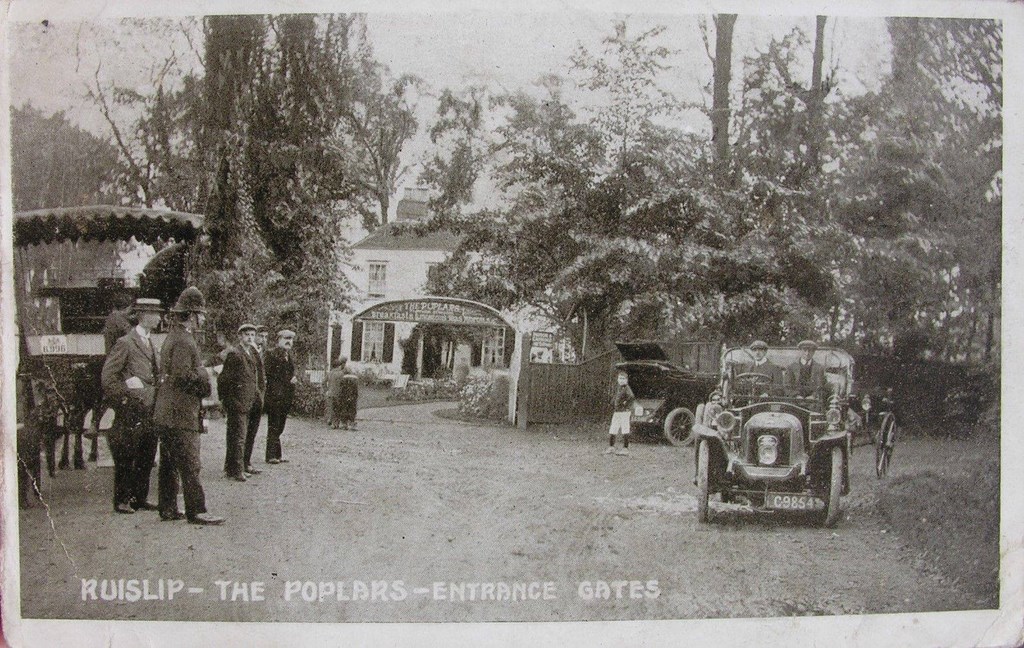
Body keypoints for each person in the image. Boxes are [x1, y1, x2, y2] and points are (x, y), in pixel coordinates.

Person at [152, 287, 224, 525]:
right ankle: (197, 510)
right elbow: (183, 376)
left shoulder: (174, 337)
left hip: (167, 412)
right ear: (191, 315)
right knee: (191, 462)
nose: (203, 318)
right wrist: (208, 371)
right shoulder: (184, 340)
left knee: (170, 462)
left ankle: (168, 508)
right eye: (200, 314)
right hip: (181, 413)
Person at [100, 297, 163, 514]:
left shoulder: (150, 342)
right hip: (131, 410)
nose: (159, 317)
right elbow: (108, 377)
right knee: (127, 455)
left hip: (149, 407)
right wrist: (125, 396)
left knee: (146, 454)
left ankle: (139, 498)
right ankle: (122, 500)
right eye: (155, 314)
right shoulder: (126, 342)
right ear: (144, 316)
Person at [218, 324, 261, 481]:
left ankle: (233, 468)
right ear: (240, 336)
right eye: (247, 334)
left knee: (239, 435)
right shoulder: (235, 354)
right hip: (237, 401)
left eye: (252, 334)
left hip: (248, 400)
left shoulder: (251, 352)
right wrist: (227, 400)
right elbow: (224, 379)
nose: (250, 337)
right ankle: (236, 470)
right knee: (238, 436)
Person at [264, 329, 297, 464]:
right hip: (275, 396)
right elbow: (270, 375)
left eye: (291, 339)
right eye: (286, 338)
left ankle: (277, 454)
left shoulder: (288, 355)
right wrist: (287, 381)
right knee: (274, 425)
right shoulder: (271, 354)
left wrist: (292, 379)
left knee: (280, 426)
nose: (289, 341)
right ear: (279, 340)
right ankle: (270, 455)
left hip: (285, 396)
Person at [243, 324, 268, 475]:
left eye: (265, 337)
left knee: (252, 432)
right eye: (260, 336)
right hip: (248, 396)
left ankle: (247, 461)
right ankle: (240, 464)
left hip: (258, 396)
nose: (262, 340)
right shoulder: (247, 351)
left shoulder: (263, 352)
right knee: (243, 432)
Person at [605, 370, 635, 457]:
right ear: (618, 379)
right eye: (620, 378)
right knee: (613, 428)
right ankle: (611, 447)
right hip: (617, 412)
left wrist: (625, 405)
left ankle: (625, 449)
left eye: (623, 378)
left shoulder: (627, 388)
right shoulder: (619, 388)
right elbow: (615, 398)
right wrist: (612, 403)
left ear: (626, 380)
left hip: (624, 412)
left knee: (625, 429)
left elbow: (631, 397)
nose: (621, 380)